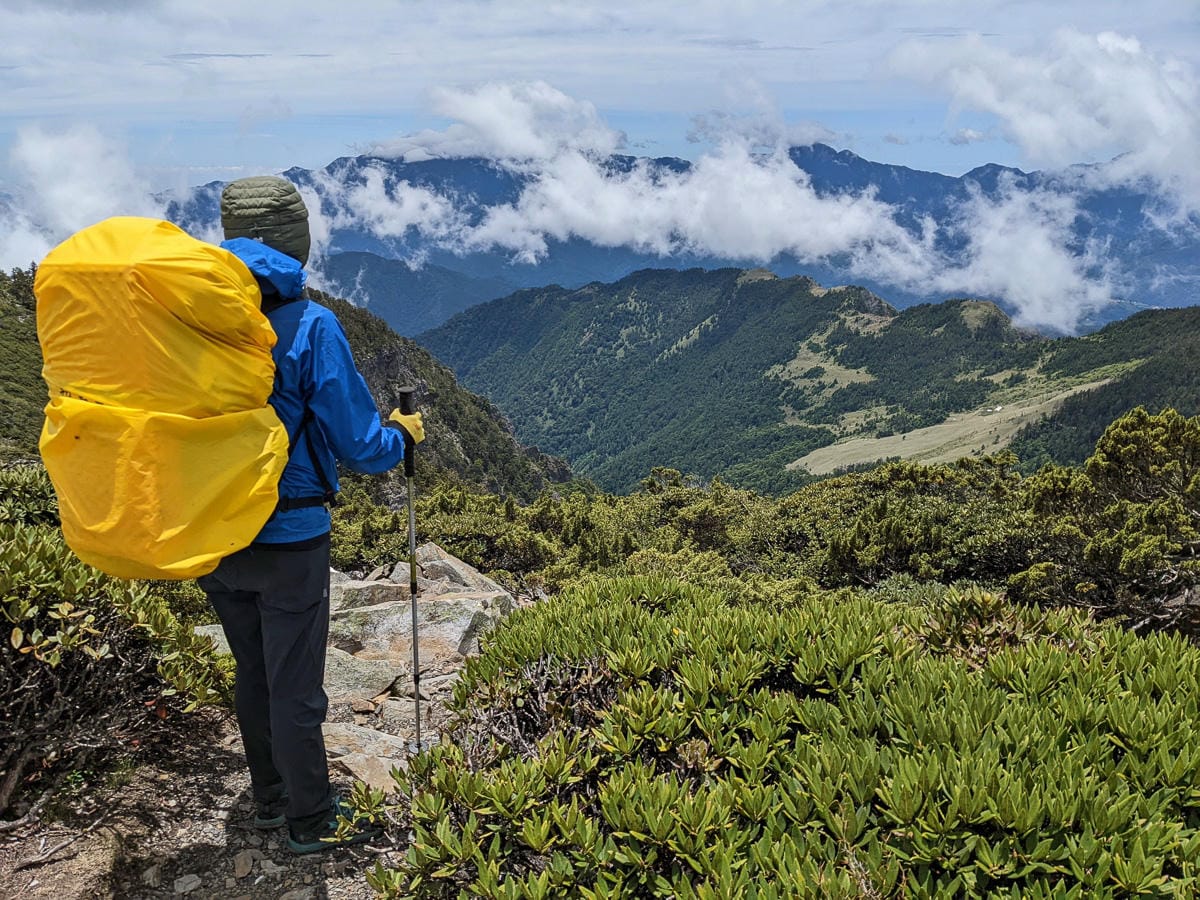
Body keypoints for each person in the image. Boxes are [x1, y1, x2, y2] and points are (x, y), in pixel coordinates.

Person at [197, 175, 424, 854]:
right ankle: (310, 820)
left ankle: (268, 801)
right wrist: (404, 434)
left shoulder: (192, 321)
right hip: (290, 535)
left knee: (253, 672)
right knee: (297, 687)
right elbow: (361, 447)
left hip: (210, 528)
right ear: (296, 243)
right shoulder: (311, 326)